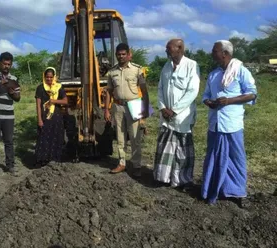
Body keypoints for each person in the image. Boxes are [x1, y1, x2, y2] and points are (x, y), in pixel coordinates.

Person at [201, 40, 257, 206]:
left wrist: (230, 100)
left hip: (232, 124)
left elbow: (252, 94)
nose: (212, 53)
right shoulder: (213, 74)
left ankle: (237, 192)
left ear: (224, 53)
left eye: (215, 50)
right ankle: (213, 190)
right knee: (213, 157)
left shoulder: (241, 71)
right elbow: (205, 95)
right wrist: (209, 102)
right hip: (215, 123)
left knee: (236, 158)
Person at [153, 39, 200, 189]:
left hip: (182, 115)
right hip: (166, 115)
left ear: (179, 48)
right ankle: (163, 177)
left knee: (182, 149)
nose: (166, 51)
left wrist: (174, 110)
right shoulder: (166, 66)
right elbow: (160, 89)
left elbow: (192, 91)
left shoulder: (192, 65)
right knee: (165, 147)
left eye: (169, 48)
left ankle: (182, 180)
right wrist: (162, 108)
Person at [104, 43, 149, 177]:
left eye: (124, 54)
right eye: (119, 54)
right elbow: (109, 92)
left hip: (134, 104)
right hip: (117, 106)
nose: (121, 57)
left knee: (135, 136)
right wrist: (106, 109)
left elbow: (144, 91)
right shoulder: (112, 72)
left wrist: (145, 108)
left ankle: (136, 165)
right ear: (116, 55)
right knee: (120, 136)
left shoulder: (137, 70)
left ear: (129, 55)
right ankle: (122, 163)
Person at [35, 67, 68, 166]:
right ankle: (43, 161)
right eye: (47, 77)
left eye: (50, 77)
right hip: (45, 117)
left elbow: (65, 101)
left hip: (56, 118)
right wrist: (39, 119)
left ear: (54, 77)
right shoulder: (40, 88)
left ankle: (54, 160)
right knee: (44, 138)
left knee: (56, 138)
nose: (49, 79)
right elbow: (38, 105)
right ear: (44, 77)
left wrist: (54, 101)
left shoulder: (59, 87)